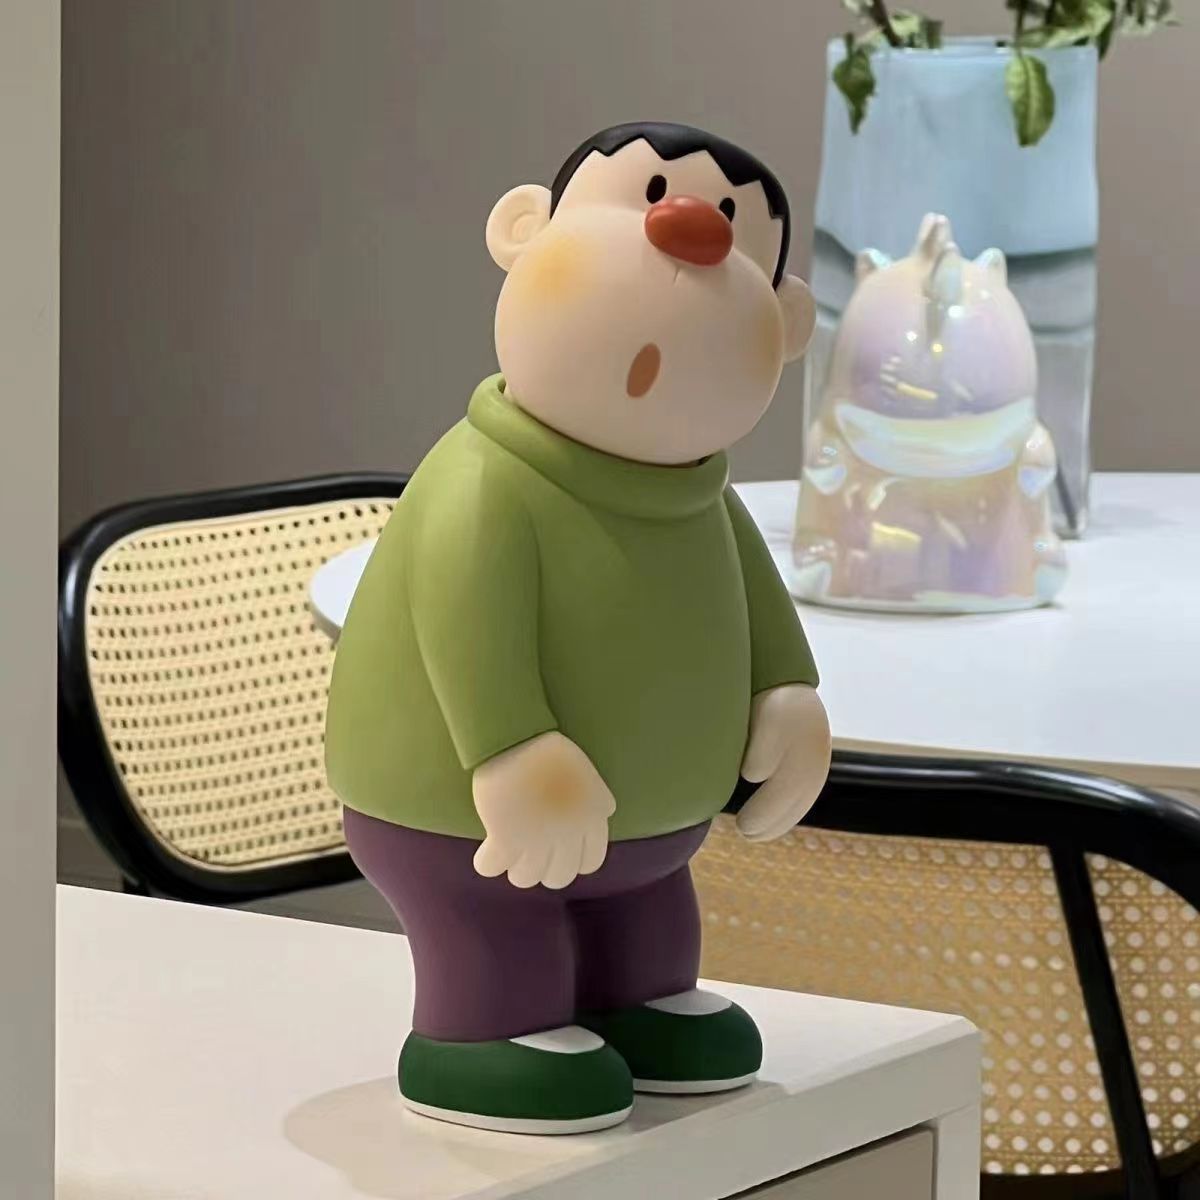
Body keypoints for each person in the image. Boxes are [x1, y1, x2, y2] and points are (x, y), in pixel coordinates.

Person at [325, 121, 832, 1134]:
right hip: (467, 821)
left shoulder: (703, 499)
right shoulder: (483, 482)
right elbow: (464, 617)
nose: (689, 232)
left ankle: (636, 1000)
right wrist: (510, 751)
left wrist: (788, 695)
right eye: (646, 195)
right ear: (524, 230)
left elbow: (756, 604)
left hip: (653, 832)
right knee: (502, 923)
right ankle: (475, 1034)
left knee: (648, 915)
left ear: (785, 324)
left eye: (733, 229)